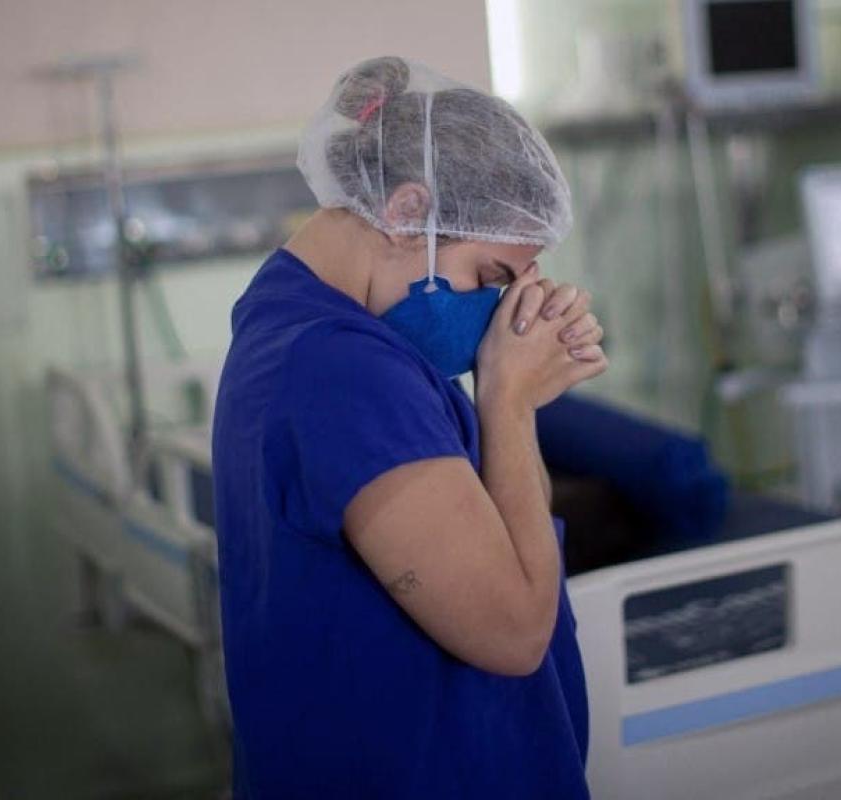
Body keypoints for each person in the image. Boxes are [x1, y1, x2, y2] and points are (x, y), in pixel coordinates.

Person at [212, 56, 607, 799]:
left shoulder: (303, 319)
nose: (502, 308)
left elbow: (494, 527)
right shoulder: (346, 373)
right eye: (492, 278)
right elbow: (514, 633)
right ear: (405, 212)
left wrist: (511, 393)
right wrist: (507, 400)